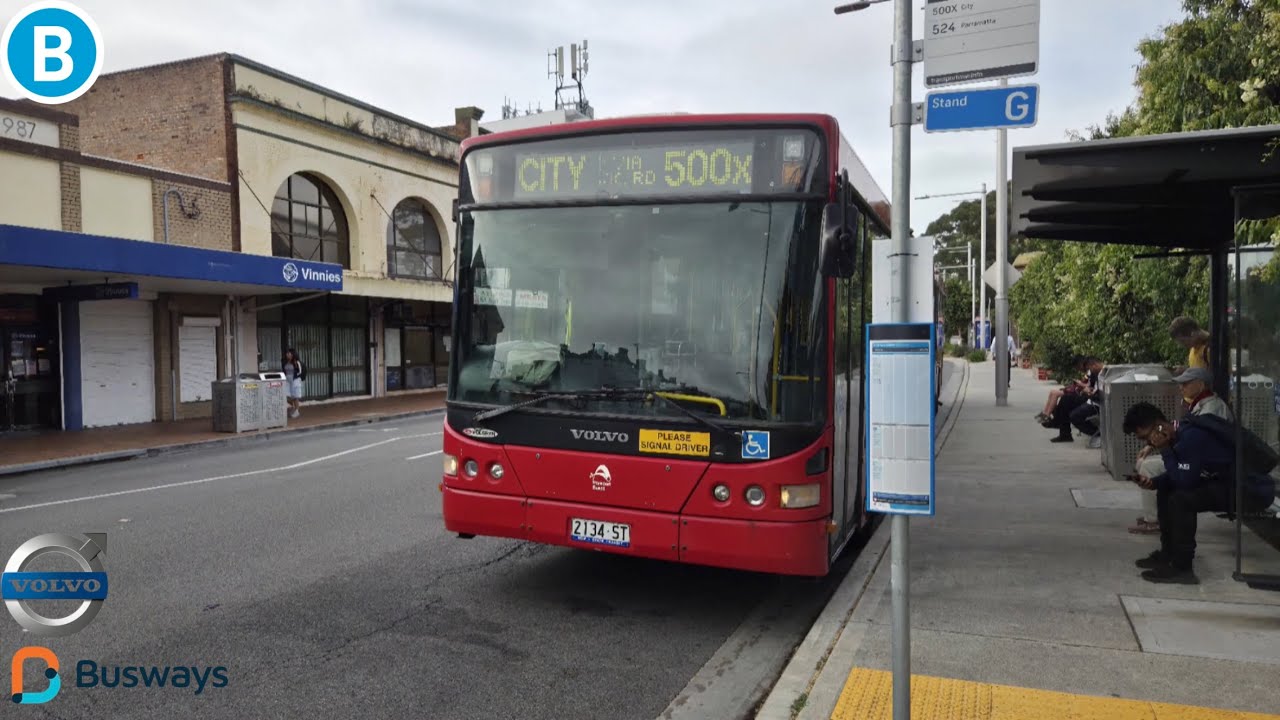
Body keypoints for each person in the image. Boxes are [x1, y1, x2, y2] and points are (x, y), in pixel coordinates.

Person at [1123, 402, 1275, 584]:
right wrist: (1154, 483)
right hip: (1227, 482)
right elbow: (1185, 473)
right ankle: (1168, 553)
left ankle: (1182, 567)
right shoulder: (1181, 434)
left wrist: (1164, 449)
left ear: (1159, 426)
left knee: (1181, 500)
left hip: (1250, 490)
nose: (1149, 443)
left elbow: (1184, 481)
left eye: (1147, 438)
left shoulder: (1191, 437)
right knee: (1167, 488)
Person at [1129, 367, 1234, 535]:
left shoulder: (1212, 408)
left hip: (1210, 468)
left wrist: (1165, 449)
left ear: (1200, 385)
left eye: (1185, 384)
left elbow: (1196, 443)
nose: (1181, 388)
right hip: (1197, 458)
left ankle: (1153, 520)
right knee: (1149, 466)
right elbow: (1181, 430)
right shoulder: (1201, 404)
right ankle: (1157, 517)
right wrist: (1152, 445)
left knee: (1149, 467)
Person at [1043, 357, 1104, 443]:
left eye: (1088, 368)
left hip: (1092, 400)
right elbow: (1092, 387)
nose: (1088, 370)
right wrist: (1085, 388)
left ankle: (1059, 424)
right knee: (1065, 399)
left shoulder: (1101, 373)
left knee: (1067, 401)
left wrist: (1085, 389)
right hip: (1088, 397)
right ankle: (1062, 429)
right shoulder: (1094, 373)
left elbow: (1095, 391)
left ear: (1094, 365)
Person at [282, 348, 305, 419]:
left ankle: (296, 410)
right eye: (287, 353)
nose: (287, 355)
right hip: (287, 381)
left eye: (289, 353)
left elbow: (300, 372)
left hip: (295, 381)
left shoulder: (297, 362)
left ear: (293, 354)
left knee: (295, 397)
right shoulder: (285, 362)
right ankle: (293, 407)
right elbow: (284, 371)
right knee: (286, 396)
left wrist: (297, 377)